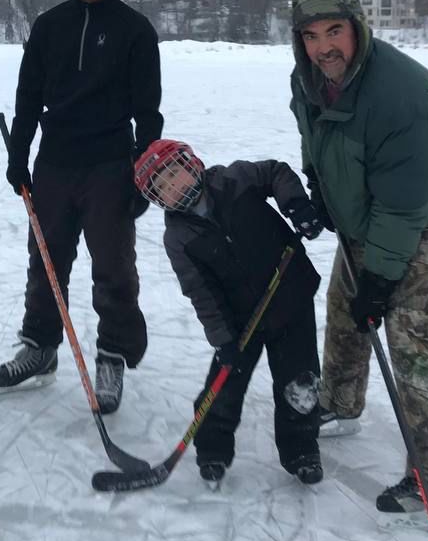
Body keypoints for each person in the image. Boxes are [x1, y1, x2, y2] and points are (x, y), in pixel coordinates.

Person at [289, 0, 428, 516]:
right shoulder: (307, 80)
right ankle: (340, 401)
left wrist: (381, 277)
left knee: (410, 336)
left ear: (357, 26)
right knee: (345, 307)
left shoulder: (400, 92)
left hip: (426, 212)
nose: (323, 47)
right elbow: (316, 139)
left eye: (333, 31)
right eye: (310, 35)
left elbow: (405, 204)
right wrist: (320, 190)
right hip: (368, 205)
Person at [0, 0, 163, 414]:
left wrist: (143, 173)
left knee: (113, 266)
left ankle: (112, 355)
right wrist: (17, 156)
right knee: (46, 257)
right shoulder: (49, 25)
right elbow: (27, 99)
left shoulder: (135, 31)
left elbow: (148, 111)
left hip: (110, 163)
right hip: (55, 163)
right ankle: (40, 347)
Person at [134, 138, 325, 486]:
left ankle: (301, 450)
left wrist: (295, 204)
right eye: (163, 187)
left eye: (174, 175)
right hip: (239, 322)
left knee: (300, 382)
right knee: (223, 387)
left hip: (290, 297)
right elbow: (200, 292)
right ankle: (212, 452)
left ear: (191, 165)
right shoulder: (178, 237)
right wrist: (223, 340)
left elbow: (275, 172)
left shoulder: (233, 179)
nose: (174, 187)